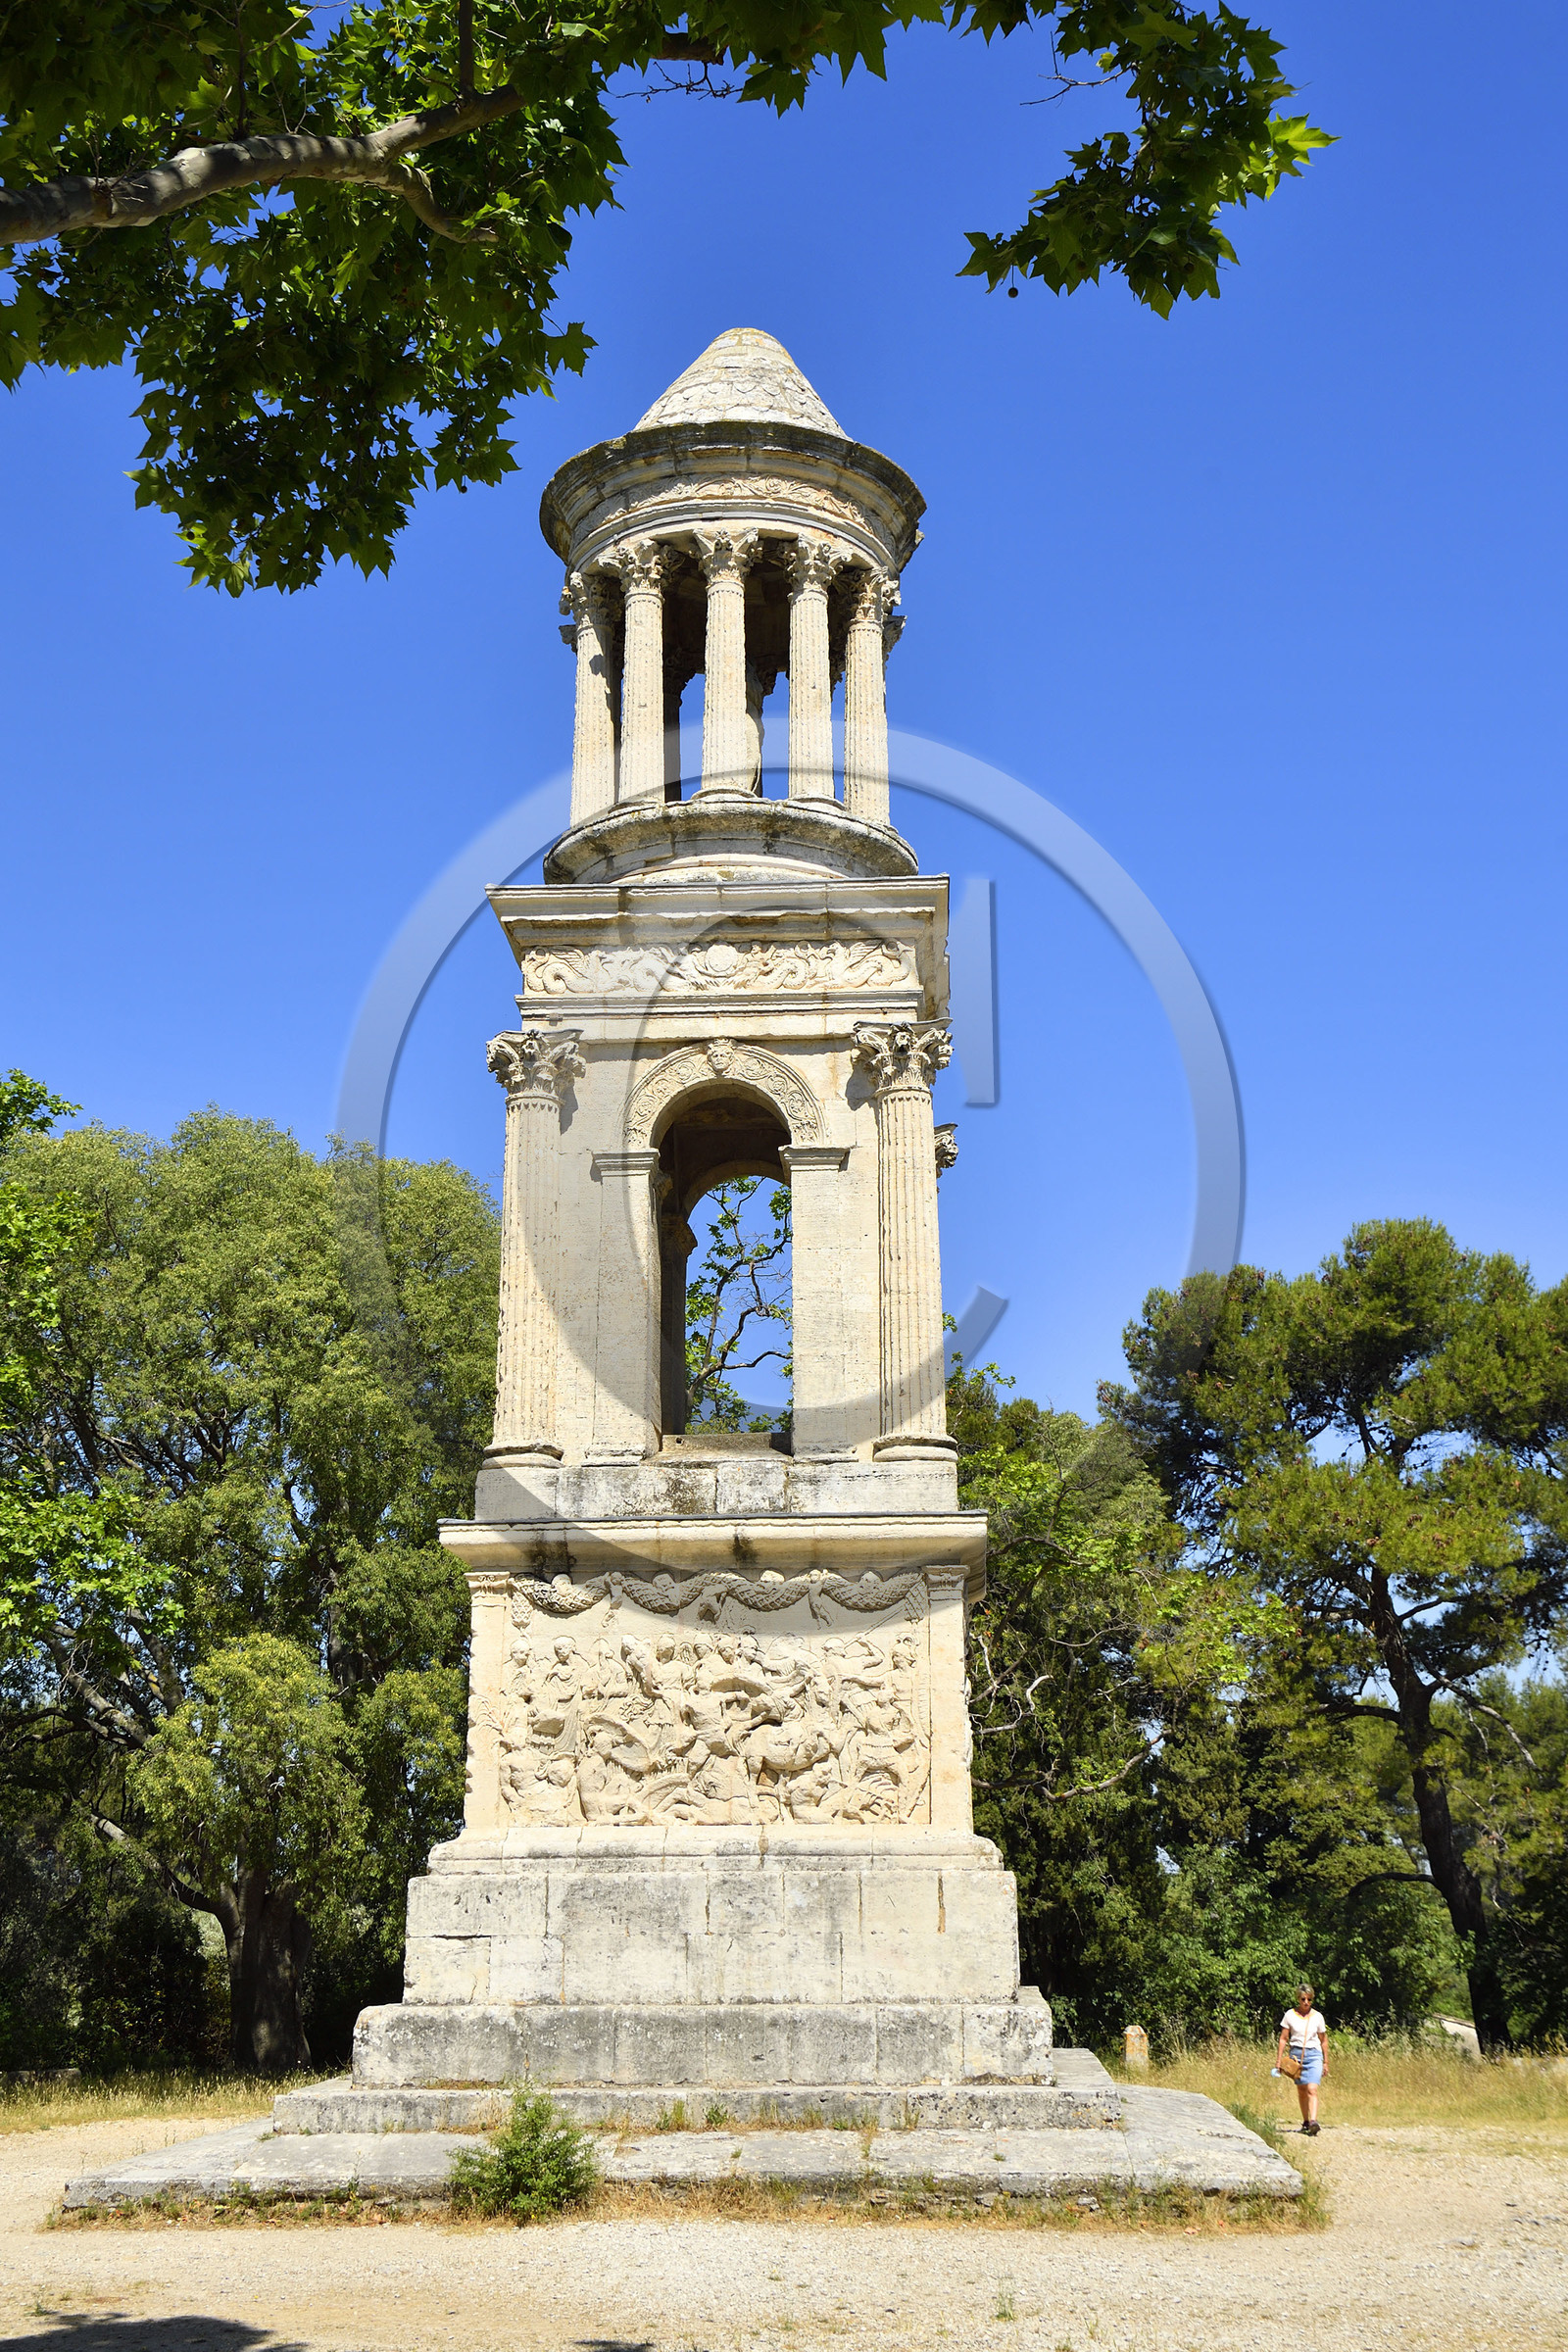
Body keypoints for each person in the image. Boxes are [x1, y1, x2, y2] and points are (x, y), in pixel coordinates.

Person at [1276, 1983, 1329, 2134]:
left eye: (1309, 1999)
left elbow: (1324, 2040)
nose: (1306, 2002)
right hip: (1296, 2056)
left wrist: (1326, 2062)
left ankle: (1314, 2121)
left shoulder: (1317, 2017)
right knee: (1301, 2089)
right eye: (1303, 1999)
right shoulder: (1289, 2015)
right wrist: (1279, 2060)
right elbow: (1283, 2039)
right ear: (1298, 1999)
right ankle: (1306, 2121)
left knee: (1312, 2088)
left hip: (1314, 2055)